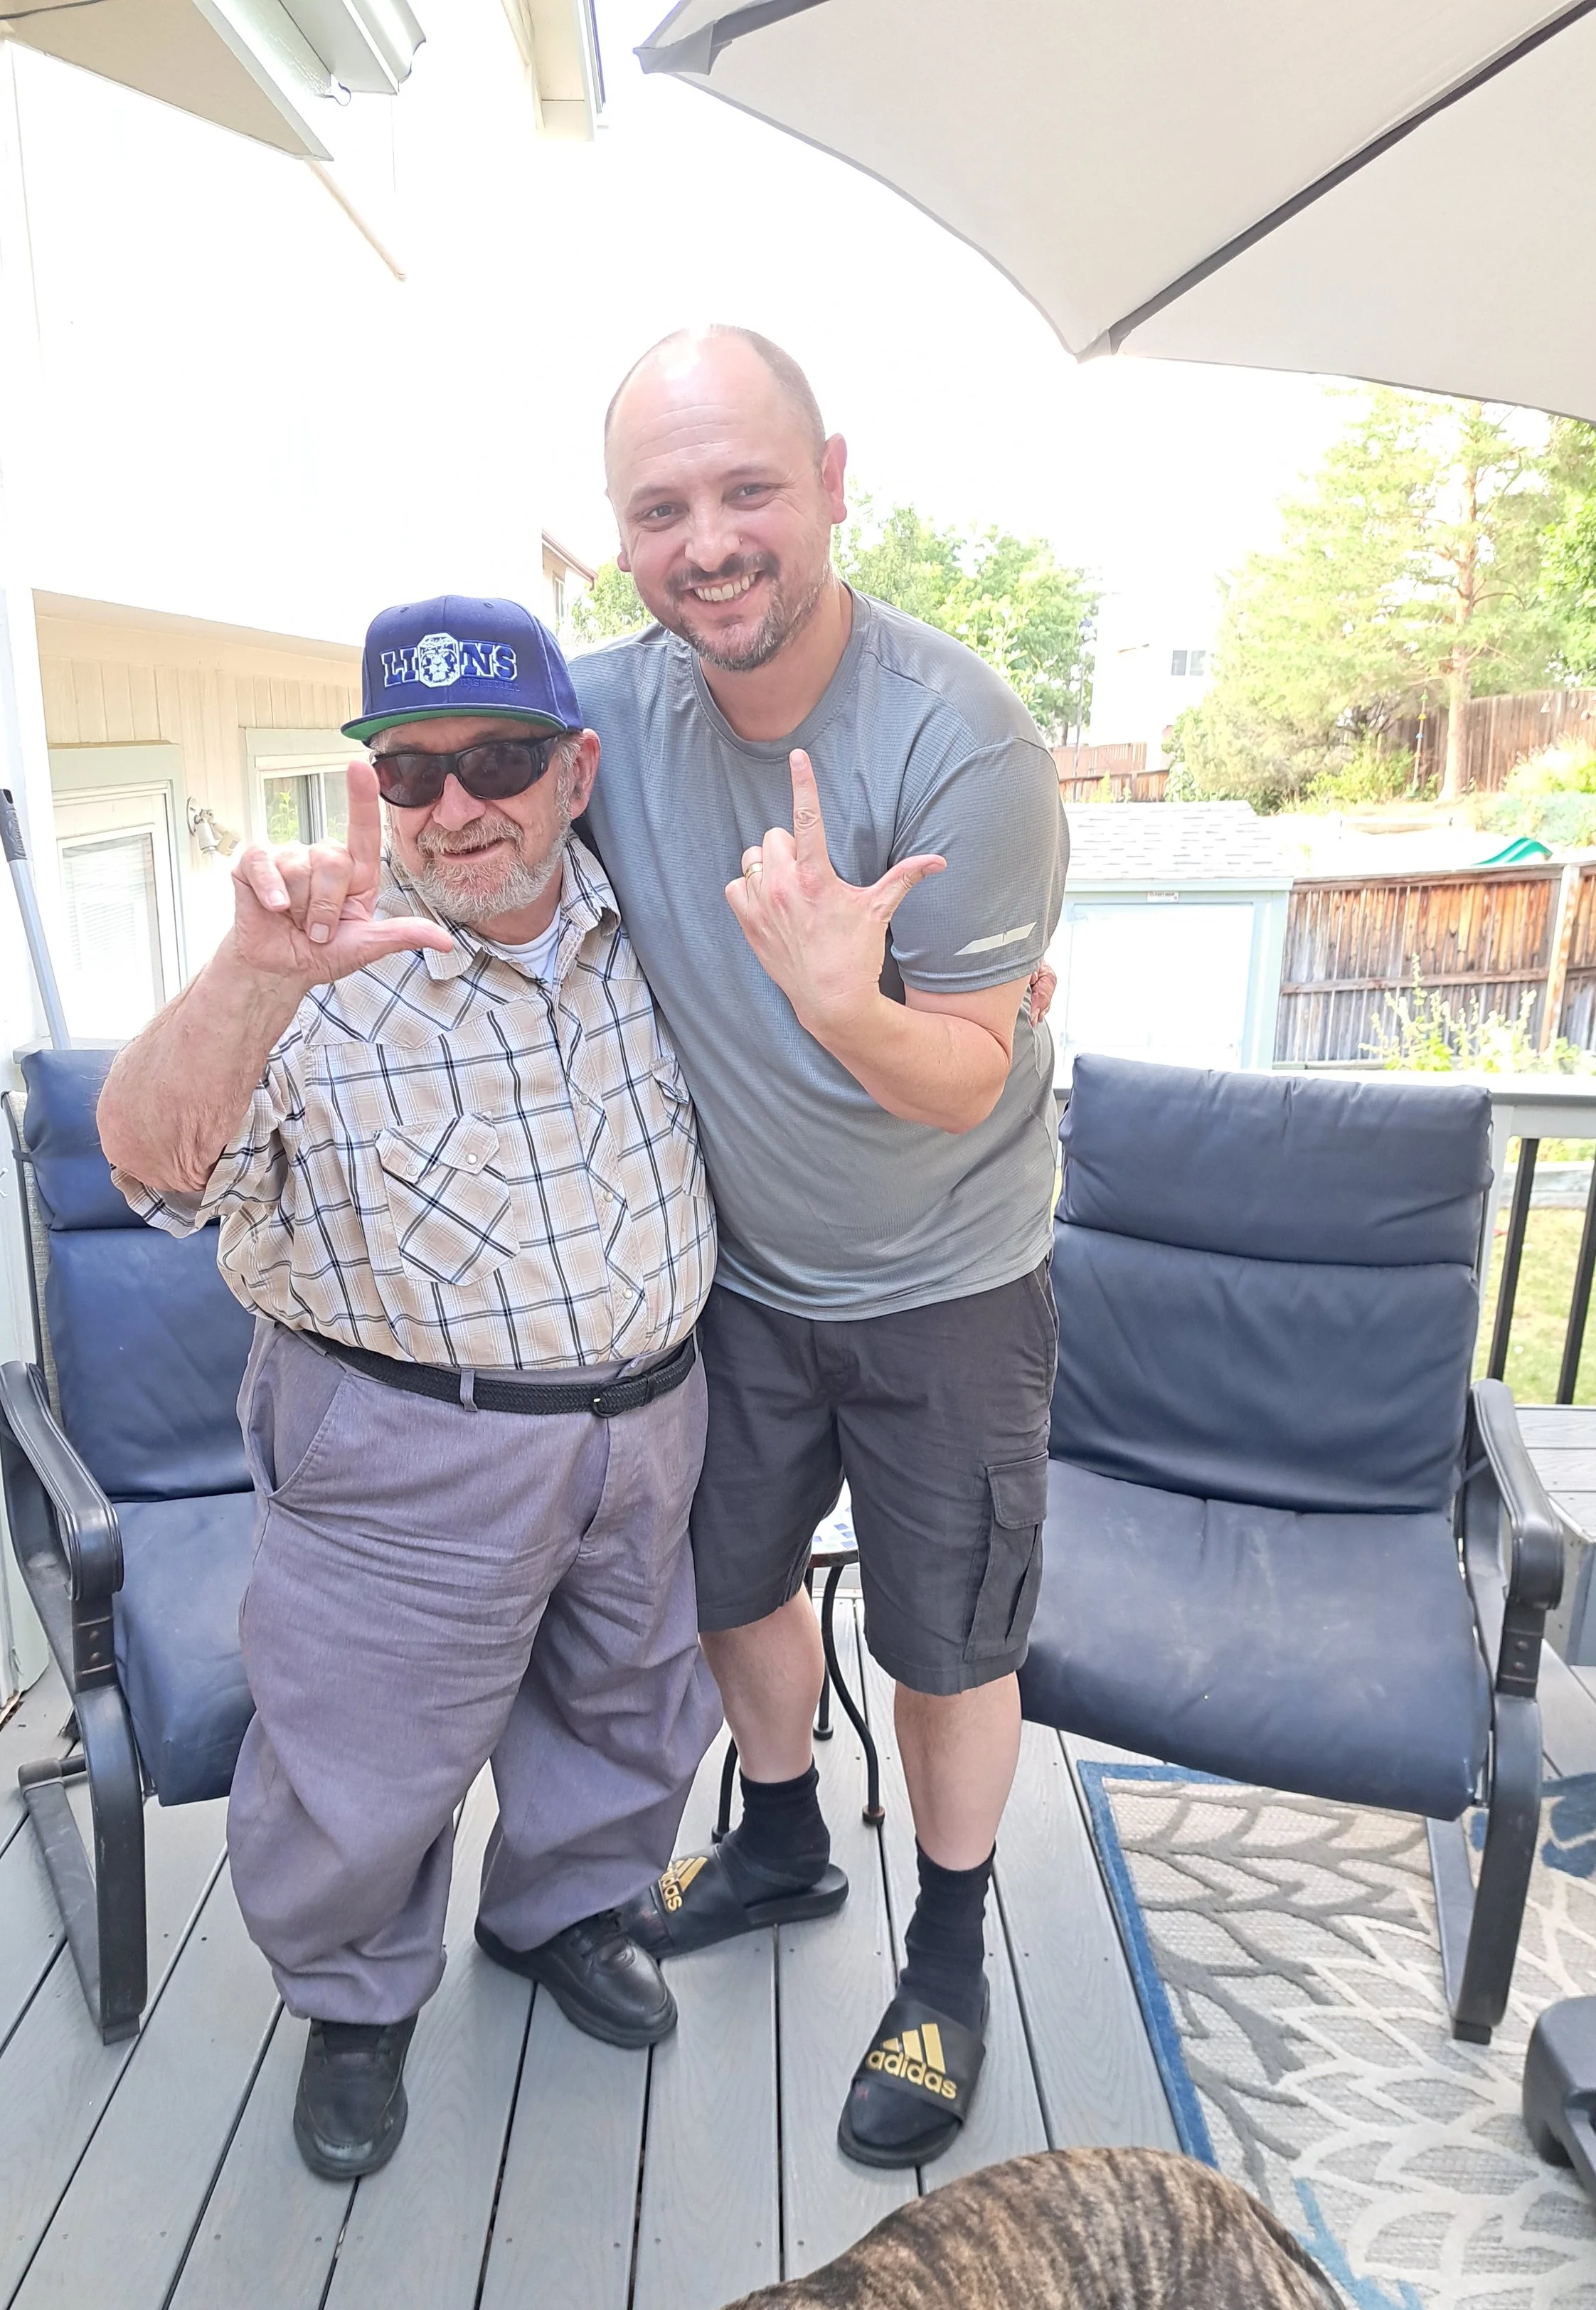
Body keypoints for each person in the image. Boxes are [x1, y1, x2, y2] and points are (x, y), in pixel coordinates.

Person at [95, 595, 720, 2181]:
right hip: (398, 1436)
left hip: (648, 1415)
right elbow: (151, 1168)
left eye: (498, 757)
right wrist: (250, 977)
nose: (456, 805)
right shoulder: (308, 974)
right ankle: (355, 2003)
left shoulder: (661, 926)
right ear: (373, 780)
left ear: (575, 769)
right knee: (358, 1757)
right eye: (413, 766)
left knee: (624, 1702)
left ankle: (562, 1916)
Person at [574, 327, 1069, 2170]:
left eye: (747, 489)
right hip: (734, 1276)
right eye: (662, 506)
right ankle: (779, 1832)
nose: (708, 539)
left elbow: (956, 1080)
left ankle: (946, 1950)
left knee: (947, 1639)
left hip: (948, 1278)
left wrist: (834, 995)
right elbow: (459, 801)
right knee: (729, 1578)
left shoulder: (962, 741)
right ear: (623, 537)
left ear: (835, 481)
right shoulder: (606, 713)